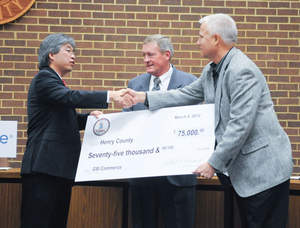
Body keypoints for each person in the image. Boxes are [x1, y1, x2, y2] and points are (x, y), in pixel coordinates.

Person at [125, 14, 293, 228]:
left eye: (200, 36)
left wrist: (213, 162)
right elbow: (185, 94)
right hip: (241, 175)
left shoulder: (242, 71)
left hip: (263, 172)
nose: (197, 42)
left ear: (216, 39)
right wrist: (143, 97)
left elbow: (240, 125)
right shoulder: (211, 69)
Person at [20, 33, 132, 228]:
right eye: (68, 50)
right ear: (51, 55)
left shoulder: (57, 83)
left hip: (59, 169)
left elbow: (65, 118)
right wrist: (110, 95)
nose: (74, 56)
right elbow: (70, 97)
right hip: (43, 168)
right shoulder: (44, 79)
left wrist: (89, 118)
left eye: (74, 52)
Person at [123, 34, 198, 228]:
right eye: (143, 55)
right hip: (142, 176)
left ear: (167, 55)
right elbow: (127, 124)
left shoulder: (191, 83)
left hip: (178, 176)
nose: (146, 60)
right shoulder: (135, 85)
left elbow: (195, 127)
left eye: (150, 55)